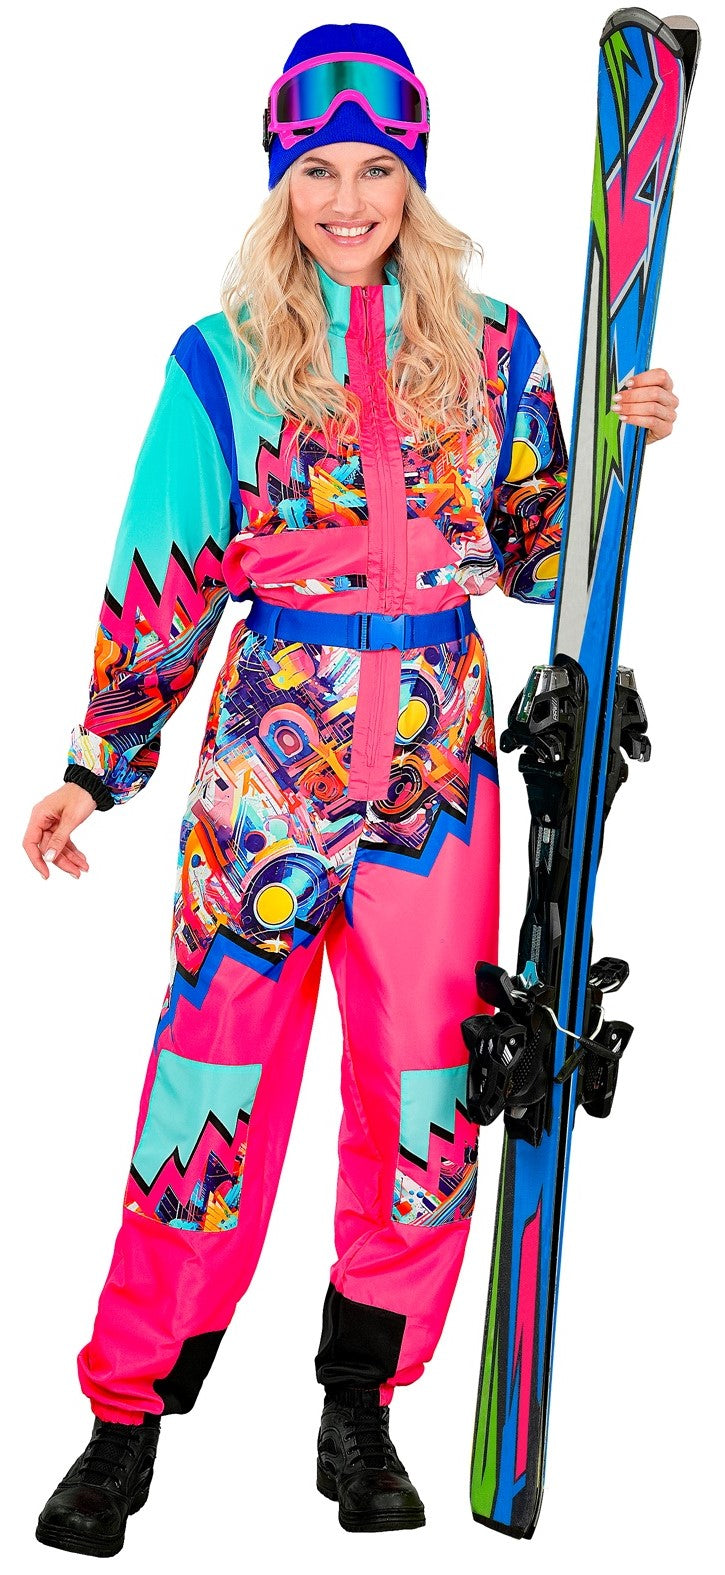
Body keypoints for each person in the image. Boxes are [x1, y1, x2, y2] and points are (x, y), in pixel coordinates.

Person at [24, 20, 679, 1557]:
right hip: (266, 773)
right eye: (315, 170)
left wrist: (615, 442)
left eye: (374, 170)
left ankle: (361, 1403)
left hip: (436, 780)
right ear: (277, 183)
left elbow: (541, 556)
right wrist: (96, 762)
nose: (345, 199)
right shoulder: (223, 356)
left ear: (413, 180)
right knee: (209, 1093)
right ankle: (126, 1416)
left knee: (427, 1095)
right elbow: (163, 573)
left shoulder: (495, 348)